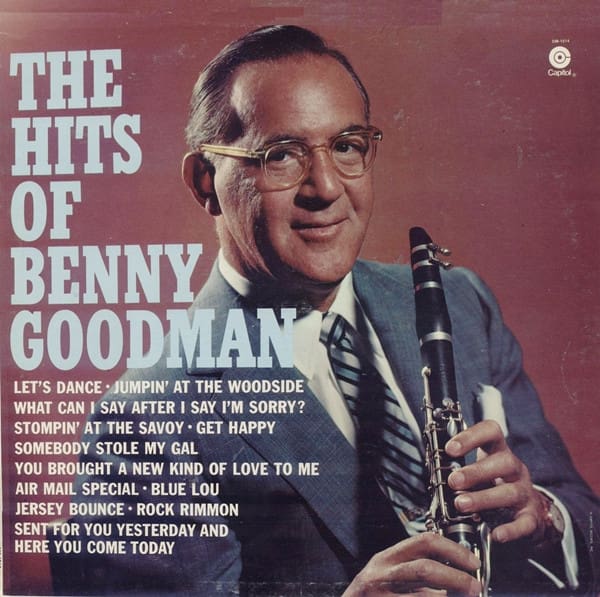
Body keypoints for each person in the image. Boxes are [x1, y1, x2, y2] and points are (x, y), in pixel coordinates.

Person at [61, 25, 598, 596]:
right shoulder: (144, 422)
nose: (325, 188)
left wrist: (544, 518)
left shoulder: (461, 302)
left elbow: (584, 516)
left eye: (346, 146)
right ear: (205, 181)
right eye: (281, 155)